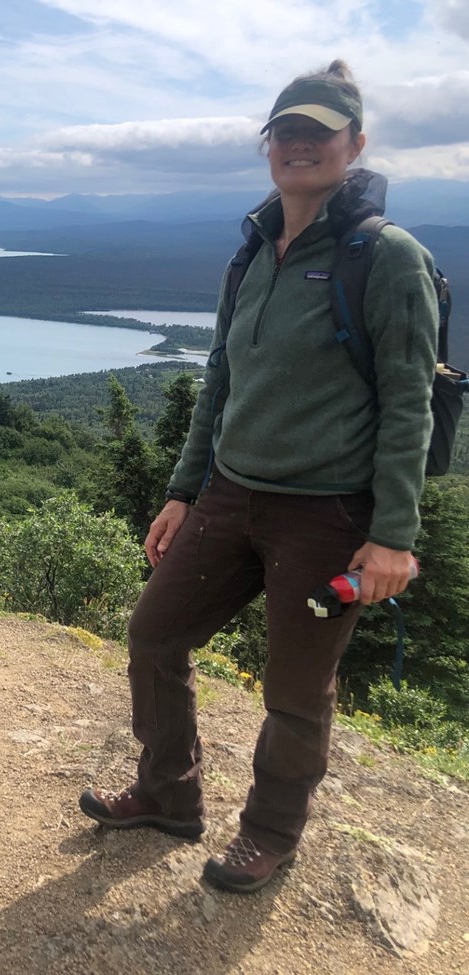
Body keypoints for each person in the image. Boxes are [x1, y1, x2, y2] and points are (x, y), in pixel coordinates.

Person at [77, 60, 439, 893]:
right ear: (267, 146)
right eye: (288, 131)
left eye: (321, 130)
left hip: (326, 511)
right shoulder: (252, 251)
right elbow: (221, 378)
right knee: (156, 634)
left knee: (295, 687)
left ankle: (269, 833)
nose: (302, 144)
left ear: (356, 143)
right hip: (232, 494)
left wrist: (391, 536)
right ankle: (169, 793)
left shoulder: (386, 258)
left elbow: (409, 404)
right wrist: (183, 488)